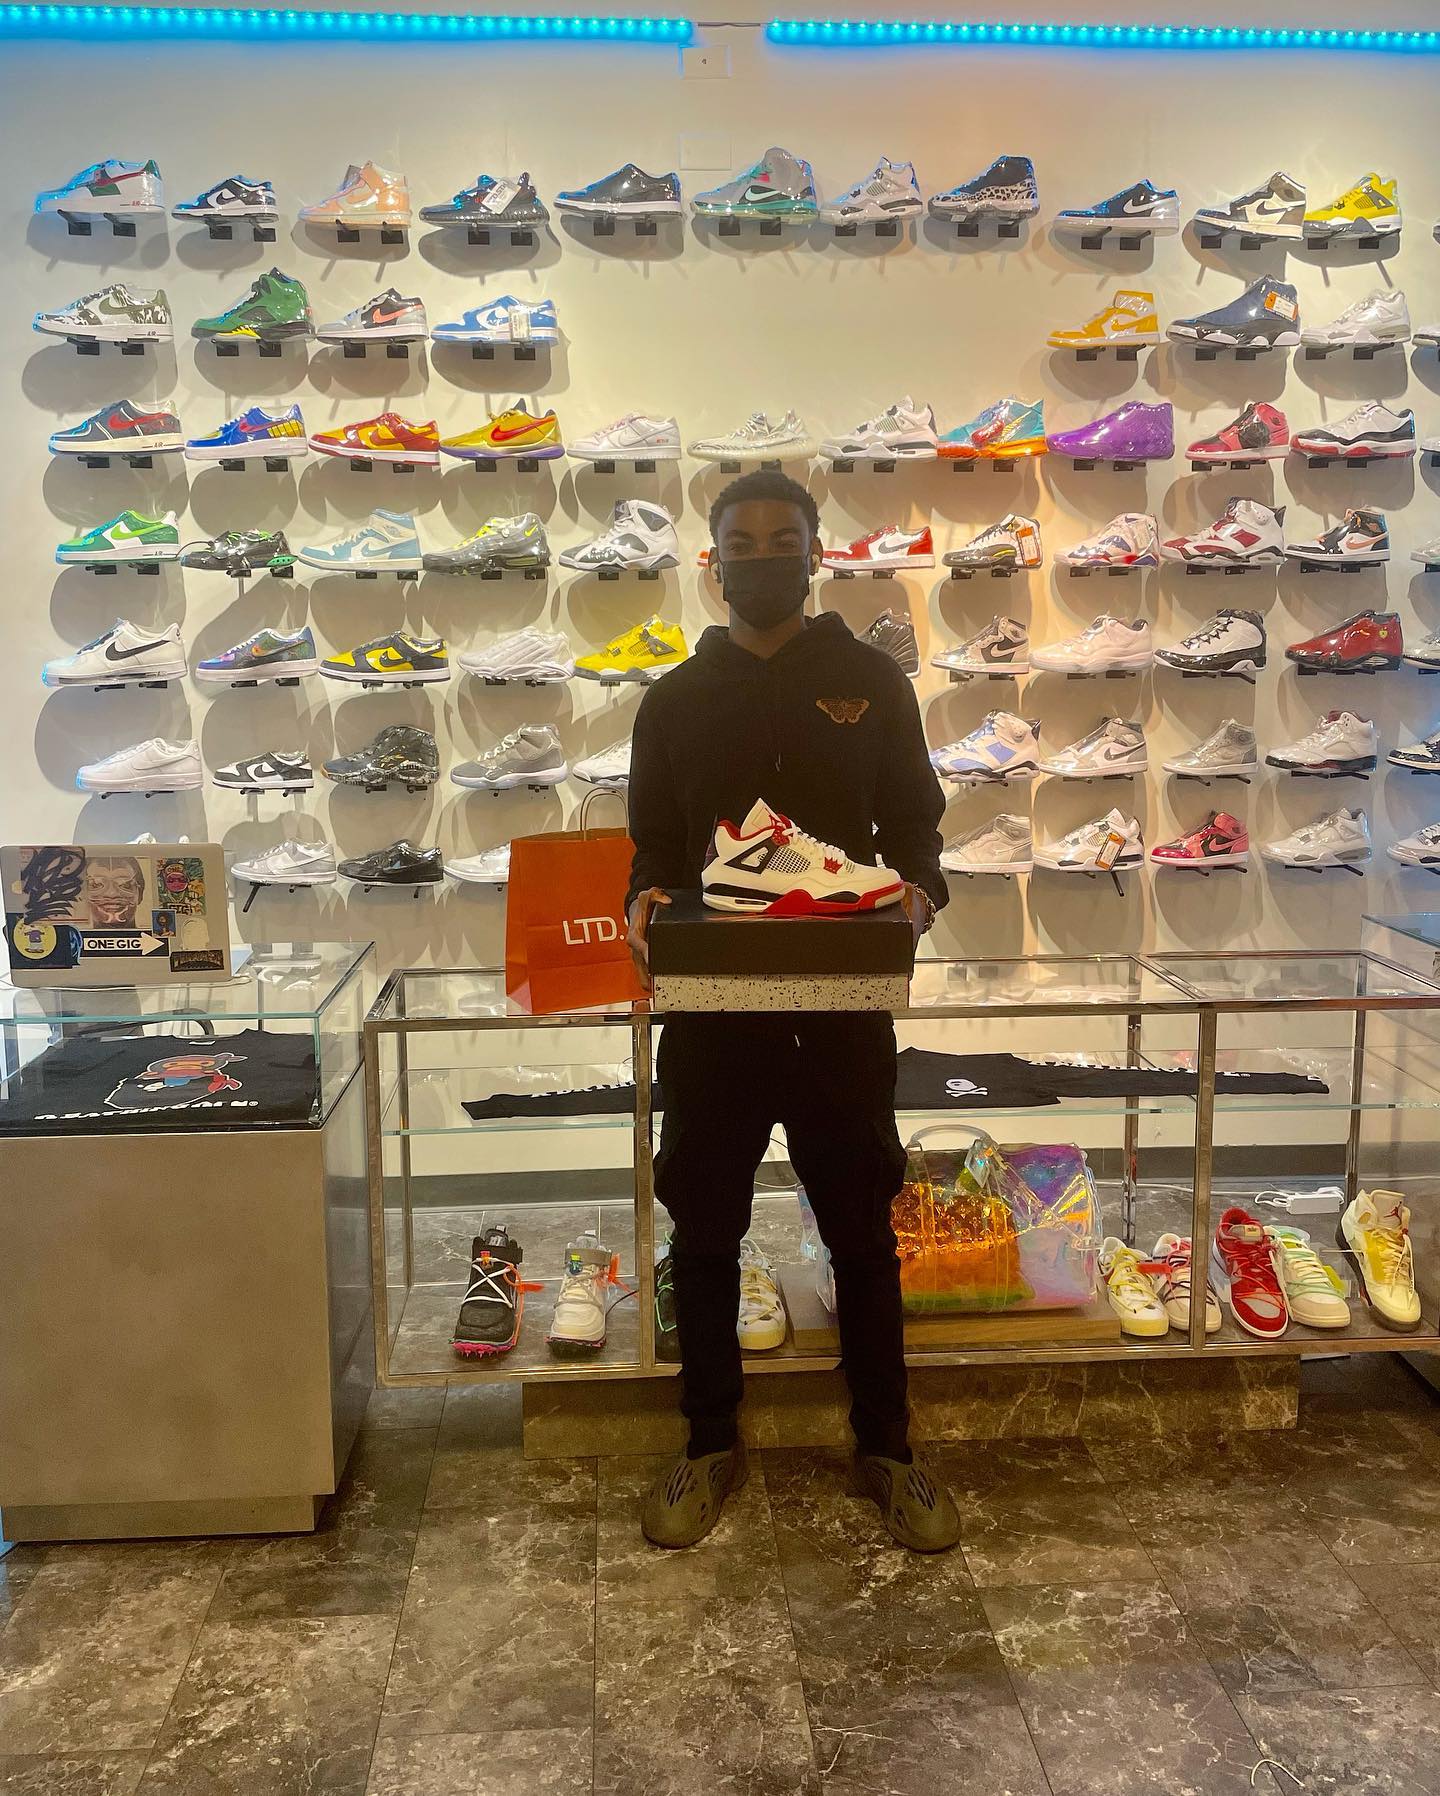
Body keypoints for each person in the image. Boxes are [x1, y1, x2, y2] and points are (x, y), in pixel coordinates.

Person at [624, 468, 961, 1553]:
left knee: (862, 1230)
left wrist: (916, 897)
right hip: (711, 1015)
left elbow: (916, 826)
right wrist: (641, 900)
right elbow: (653, 848)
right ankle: (706, 1442)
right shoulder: (672, 700)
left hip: (842, 1009)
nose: (762, 558)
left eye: (783, 541)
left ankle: (890, 1449)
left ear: (815, 555)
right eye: (742, 543)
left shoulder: (872, 681)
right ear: (713, 561)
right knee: (705, 1232)